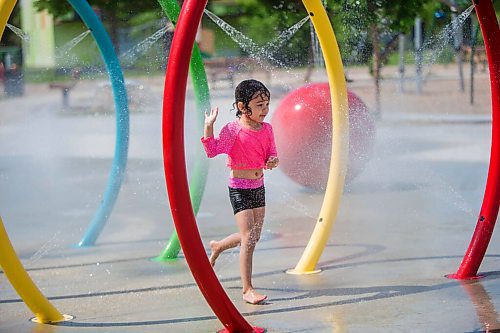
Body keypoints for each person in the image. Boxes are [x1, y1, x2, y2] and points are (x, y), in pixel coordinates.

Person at [201, 79, 279, 305]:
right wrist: (209, 126)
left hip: (258, 186)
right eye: (259, 105)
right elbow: (212, 150)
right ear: (242, 106)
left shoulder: (267, 129)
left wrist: (272, 161)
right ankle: (247, 289)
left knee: (252, 237)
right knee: (249, 238)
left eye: (266, 104)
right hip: (239, 188)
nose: (265, 110)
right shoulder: (232, 130)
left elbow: (270, 156)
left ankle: (219, 246)